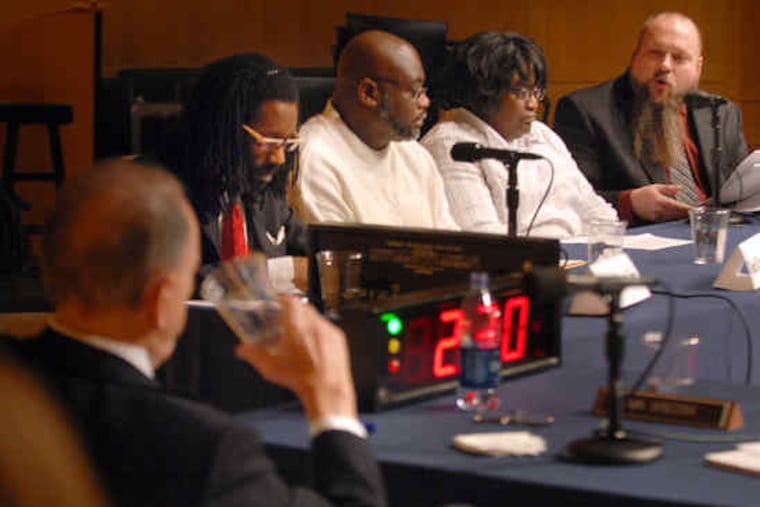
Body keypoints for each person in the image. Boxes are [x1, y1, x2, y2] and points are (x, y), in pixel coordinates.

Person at [7, 159, 386, 507]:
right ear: (162, 299)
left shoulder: (13, 390)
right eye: (190, 276)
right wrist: (331, 401)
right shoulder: (201, 449)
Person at [554, 12, 748, 225]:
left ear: (698, 68)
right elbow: (568, 199)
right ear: (635, 56)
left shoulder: (721, 112)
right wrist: (630, 202)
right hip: (641, 241)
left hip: (716, 237)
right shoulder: (586, 110)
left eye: (679, 58)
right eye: (655, 53)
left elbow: (741, 191)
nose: (665, 65)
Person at [422, 32, 617, 238]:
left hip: (572, 253)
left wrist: (609, 247)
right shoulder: (451, 145)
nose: (533, 104)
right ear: (484, 92)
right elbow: (483, 239)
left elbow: (594, 209)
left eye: (536, 92)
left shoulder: (542, 134)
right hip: (519, 263)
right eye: (521, 92)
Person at [161, 53, 307, 290]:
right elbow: (166, 279)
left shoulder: (263, 191)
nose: (279, 158)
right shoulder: (160, 193)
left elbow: (314, 249)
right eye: (268, 141)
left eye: (287, 143)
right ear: (222, 129)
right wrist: (277, 273)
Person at [295, 30, 458, 229]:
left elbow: (452, 249)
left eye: (424, 91)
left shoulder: (416, 156)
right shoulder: (316, 158)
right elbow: (338, 258)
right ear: (369, 94)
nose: (426, 102)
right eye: (415, 93)